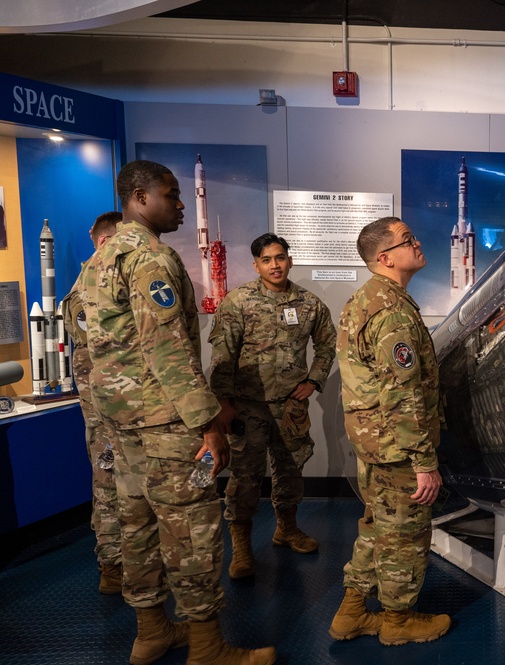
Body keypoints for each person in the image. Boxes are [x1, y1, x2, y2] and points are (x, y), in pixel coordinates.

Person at [80, 160, 275, 665]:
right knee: (191, 532)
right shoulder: (151, 261)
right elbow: (167, 350)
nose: (182, 204)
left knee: (138, 527)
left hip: (121, 424)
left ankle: (151, 632)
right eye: (171, 195)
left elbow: (93, 346)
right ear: (140, 197)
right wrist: (209, 425)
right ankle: (207, 647)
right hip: (167, 426)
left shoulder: (99, 261)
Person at [329, 216, 450, 646]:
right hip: (398, 447)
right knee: (404, 536)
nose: (416, 243)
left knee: (378, 528)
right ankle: (397, 623)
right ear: (385, 258)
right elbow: (403, 393)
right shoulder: (392, 310)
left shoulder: (365, 300)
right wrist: (424, 463)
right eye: (407, 240)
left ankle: (352, 612)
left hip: (375, 443)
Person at [208, 233, 336, 579]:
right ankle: (242, 548)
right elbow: (222, 358)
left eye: (280, 258)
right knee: (245, 478)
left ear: (289, 260)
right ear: (256, 265)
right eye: (267, 260)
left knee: (291, 471)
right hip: (247, 407)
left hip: (290, 407)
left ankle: (287, 529)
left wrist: (314, 380)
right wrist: (223, 405)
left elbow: (327, 344)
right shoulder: (239, 301)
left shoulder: (309, 304)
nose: (275, 265)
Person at [62, 211, 122, 594]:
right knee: (109, 483)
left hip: (123, 406)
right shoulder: (89, 290)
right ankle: (113, 563)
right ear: (104, 243)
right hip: (107, 410)